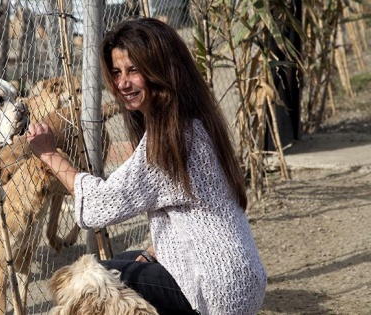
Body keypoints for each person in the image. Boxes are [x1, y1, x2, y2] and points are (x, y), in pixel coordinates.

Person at [27, 17, 267, 315]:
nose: (122, 83)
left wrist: (49, 154)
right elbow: (198, 214)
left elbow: (98, 206)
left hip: (216, 292)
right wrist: (155, 252)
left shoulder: (169, 139)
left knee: (88, 282)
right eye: (116, 72)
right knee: (131, 258)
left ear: (161, 71)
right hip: (241, 281)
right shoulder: (195, 122)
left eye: (134, 70)